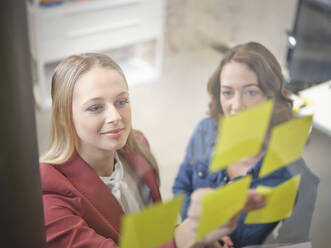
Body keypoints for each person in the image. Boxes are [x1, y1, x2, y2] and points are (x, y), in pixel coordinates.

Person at [39, 53, 265, 248]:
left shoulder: (137, 147)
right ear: (62, 117)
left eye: (121, 101)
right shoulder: (48, 197)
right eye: (95, 107)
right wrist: (185, 235)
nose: (116, 117)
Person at [172, 42, 319, 247]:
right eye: (227, 92)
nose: (237, 106)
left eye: (250, 92)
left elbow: (294, 243)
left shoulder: (297, 178)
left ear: (271, 96)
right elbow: (181, 187)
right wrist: (201, 230)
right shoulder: (205, 131)